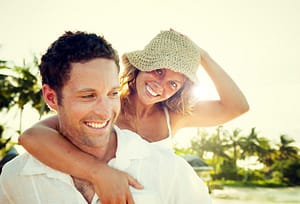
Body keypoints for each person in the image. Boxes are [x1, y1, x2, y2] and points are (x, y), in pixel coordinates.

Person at [18, 30, 249, 202]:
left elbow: (237, 106)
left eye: (173, 83)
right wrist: (98, 173)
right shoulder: (107, 107)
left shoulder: (174, 116)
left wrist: (202, 56)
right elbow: (32, 136)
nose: (161, 85)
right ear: (141, 65)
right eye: (158, 71)